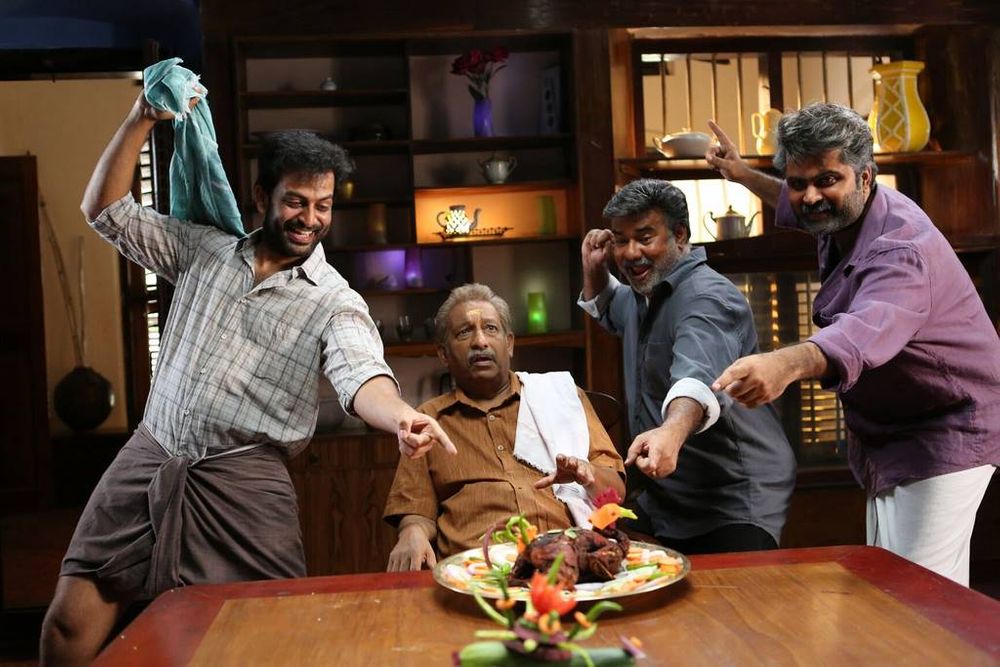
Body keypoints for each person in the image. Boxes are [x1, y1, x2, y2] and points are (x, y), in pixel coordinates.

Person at [40, 92, 456, 663]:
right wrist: (141, 115)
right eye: (296, 201)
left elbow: (362, 375)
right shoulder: (203, 250)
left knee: (269, 640)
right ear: (262, 197)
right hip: (151, 453)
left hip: (247, 484)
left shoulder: (334, 301)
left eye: (324, 205)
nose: (310, 219)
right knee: (66, 626)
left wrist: (402, 416)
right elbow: (104, 209)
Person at [706, 102, 1000, 585]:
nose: (810, 197)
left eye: (827, 180)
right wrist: (740, 174)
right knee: (890, 580)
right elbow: (797, 202)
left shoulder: (902, 250)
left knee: (921, 593)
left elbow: (863, 330)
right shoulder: (843, 212)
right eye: (798, 182)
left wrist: (784, 364)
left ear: (865, 176)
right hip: (892, 428)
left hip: (949, 424)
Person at [578, 179, 795, 555]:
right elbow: (612, 308)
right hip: (665, 497)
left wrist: (671, 431)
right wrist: (595, 269)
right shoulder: (643, 293)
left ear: (680, 235)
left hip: (732, 499)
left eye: (644, 237)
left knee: (732, 595)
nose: (630, 253)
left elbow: (697, 381)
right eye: (621, 240)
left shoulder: (708, 298)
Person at [383, 283, 625, 570]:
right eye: (464, 332)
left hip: (568, 563)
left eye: (490, 329)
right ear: (444, 354)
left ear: (509, 343)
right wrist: (412, 532)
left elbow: (616, 493)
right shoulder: (428, 421)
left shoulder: (563, 397)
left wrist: (589, 474)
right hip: (476, 573)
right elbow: (415, 510)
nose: (480, 342)